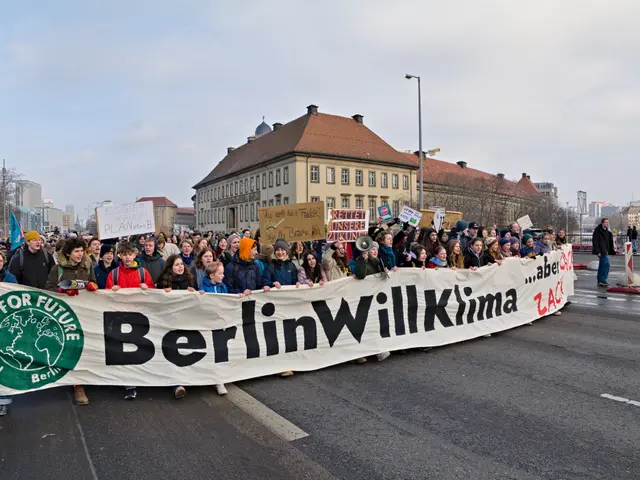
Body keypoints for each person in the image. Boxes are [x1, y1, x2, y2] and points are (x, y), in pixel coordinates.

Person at [46, 237, 98, 406]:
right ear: (68, 253)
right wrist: (61, 291)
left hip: (84, 312)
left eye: (82, 251)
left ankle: (80, 381)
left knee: (82, 346)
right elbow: (49, 289)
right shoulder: (57, 269)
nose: (80, 254)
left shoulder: (88, 266)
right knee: (69, 346)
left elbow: (94, 284)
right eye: (76, 251)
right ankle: (76, 383)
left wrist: (91, 286)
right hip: (65, 314)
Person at [105, 242, 155, 401]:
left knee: (139, 350)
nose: (127, 257)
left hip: (140, 318)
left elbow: (154, 293)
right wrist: (110, 291)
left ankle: (141, 379)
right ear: (120, 255)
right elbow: (104, 299)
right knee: (126, 352)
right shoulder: (113, 274)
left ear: (135, 255)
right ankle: (130, 385)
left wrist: (147, 288)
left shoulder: (143, 273)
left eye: (130, 254)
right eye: (124, 254)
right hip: (120, 318)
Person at [353, 244, 391, 362]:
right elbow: (360, 275)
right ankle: (361, 352)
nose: (375, 251)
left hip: (375, 297)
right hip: (364, 297)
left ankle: (378, 350)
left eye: (376, 249)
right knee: (365, 325)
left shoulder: (378, 261)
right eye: (372, 249)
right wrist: (363, 260)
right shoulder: (360, 261)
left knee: (375, 324)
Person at [198, 261, 230, 396]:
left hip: (221, 323)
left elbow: (228, 301)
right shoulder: (203, 288)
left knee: (221, 351)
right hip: (208, 324)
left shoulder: (223, 287)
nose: (223, 276)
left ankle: (219, 380)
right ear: (212, 275)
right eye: (220, 273)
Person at [0, 251, 16, 416]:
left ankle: (3, 401)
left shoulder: (10, 279)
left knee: (4, 365)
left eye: (0, 260)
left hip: (5, 328)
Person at [592, 217, 616, 287]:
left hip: (605, 250)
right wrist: (597, 251)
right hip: (601, 251)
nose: (607, 224)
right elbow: (595, 241)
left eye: (608, 222)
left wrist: (612, 251)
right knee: (606, 264)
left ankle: (601, 280)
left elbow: (610, 242)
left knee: (603, 265)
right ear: (602, 223)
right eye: (606, 222)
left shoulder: (608, 232)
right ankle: (602, 280)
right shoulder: (597, 230)